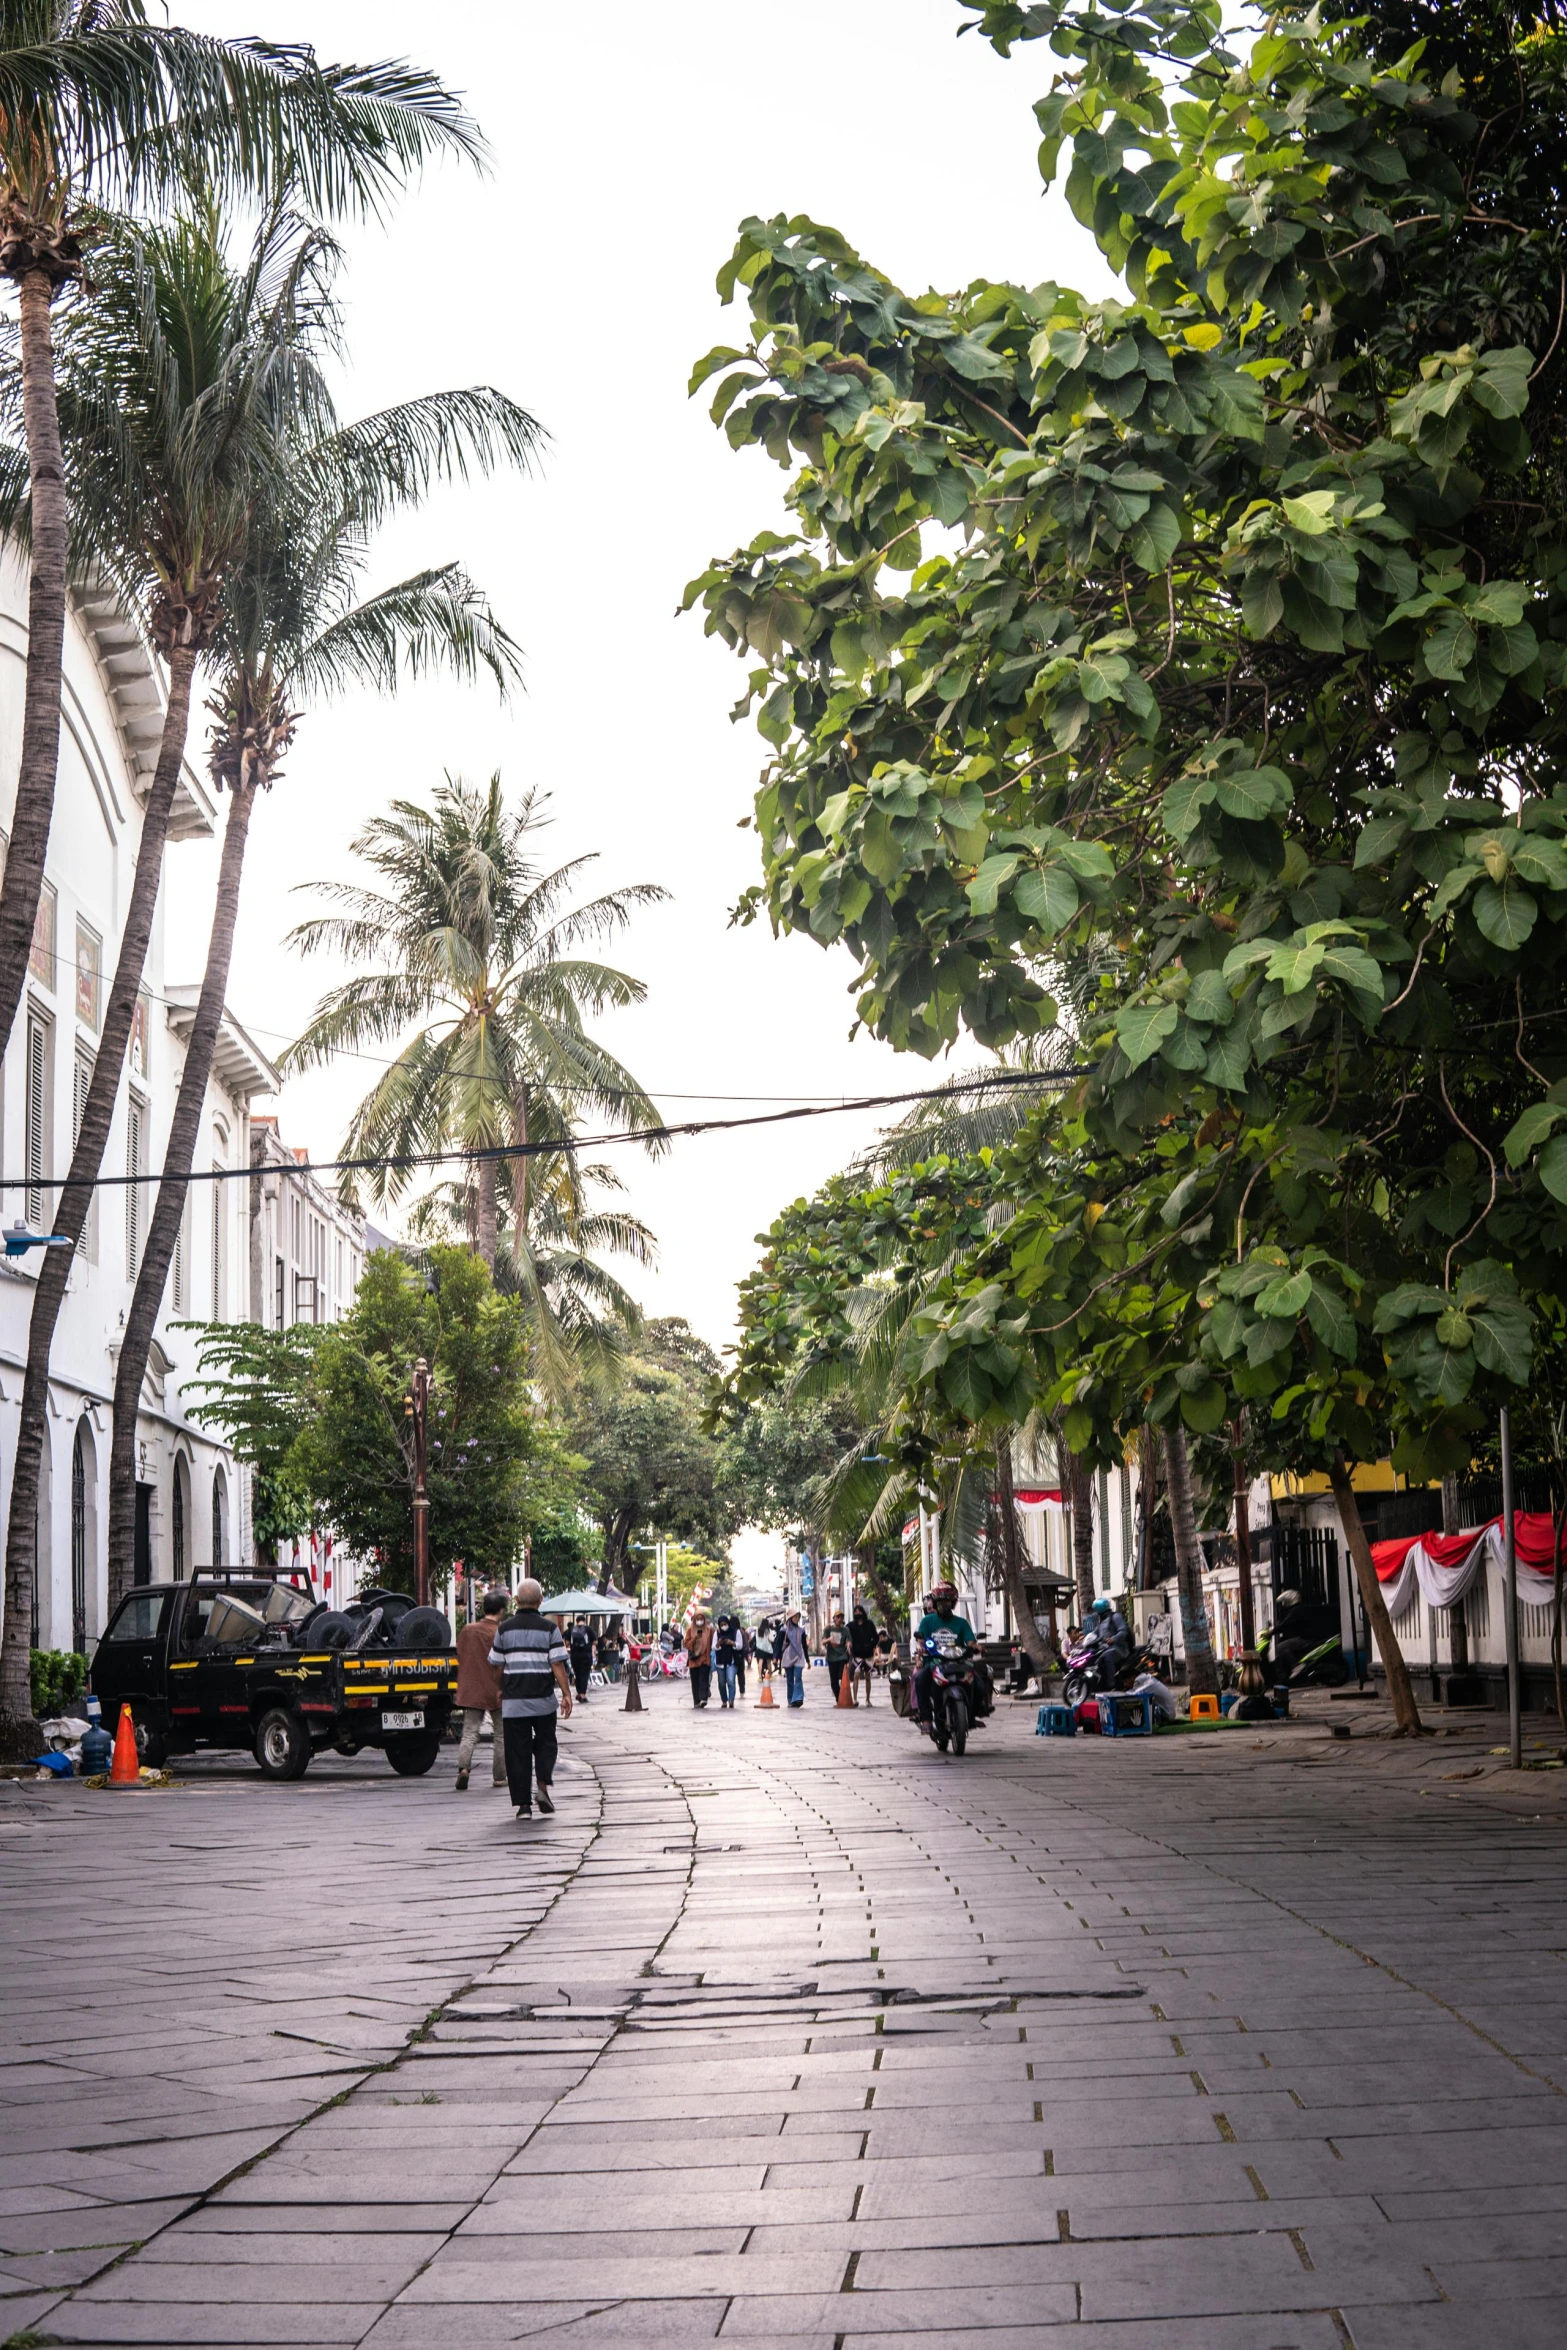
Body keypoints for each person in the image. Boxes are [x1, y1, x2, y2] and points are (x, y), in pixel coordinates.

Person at [489, 1578, 573, 1821]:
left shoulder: (504, 1629)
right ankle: (543, 1785)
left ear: (516, 1601)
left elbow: (497, 1665)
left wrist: (500, 1687)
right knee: (547, 1743)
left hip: (514, 1703)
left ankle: (523, 1806)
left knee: (517, 1752)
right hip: (543, 1701)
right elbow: (556, 1663)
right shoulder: (550, 1629)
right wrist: (566, 1694)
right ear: (540, 1600)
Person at [911, 1582, 991, 1730]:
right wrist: (920, 1650)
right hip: (934, 1663)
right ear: (935, 1603)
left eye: (948, 1601)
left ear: (953, 1603)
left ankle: (972, 1715)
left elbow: (970, 1641)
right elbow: (920, 1642)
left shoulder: (961, 1623)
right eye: (941, 1602)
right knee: (920, 1679)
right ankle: (927, 1719)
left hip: (960, 1662)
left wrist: (976, 1646)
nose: (945, 1605)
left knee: (979, 1685)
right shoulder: (927, 1621)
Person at [454, 1587, 510, 1792]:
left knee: (469, 1733)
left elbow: (460, 1655)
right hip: (497, 1688)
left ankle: (463, 1769)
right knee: (500, 1735)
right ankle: (499, 1776)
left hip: (472, 1689)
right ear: (501, 1611)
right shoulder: (500, 1633)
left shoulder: (468, 1630)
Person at [848, 1604, 877, 1705]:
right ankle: (855, 1699)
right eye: (855, 1612)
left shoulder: (869, 1624)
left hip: (868, 1654)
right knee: (856, 1675)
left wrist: (871, 1646)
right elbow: (845, 1635)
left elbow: (876, 1637)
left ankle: (868, 1699)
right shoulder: (850, 1626)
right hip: (857, 1654)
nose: (857, 1613)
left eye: (859, 1611)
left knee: (868, 1676)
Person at [780, 1610, 809, 1705]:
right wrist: (776, 1657)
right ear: (790, 1618)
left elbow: (804, 1646)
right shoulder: (783, 1630)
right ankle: (790, 1700)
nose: (797, 1619)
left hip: (799, 1657)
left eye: (798, 1617)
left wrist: (808, 1660)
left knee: (798, 1677)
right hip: (788, 1657)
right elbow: (778, 1644)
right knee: (789, 1680)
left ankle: (798, 1698)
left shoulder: (801, 1631)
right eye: (795, 1617)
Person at [687, 1611, 714, 1707]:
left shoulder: (709, 1630)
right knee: (695, 1681)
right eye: (697, 1619)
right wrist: (694, 1638)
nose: (699, 1621)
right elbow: (686, 1644)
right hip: (694, 1660)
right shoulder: (690, 1630)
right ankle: (696, 1701)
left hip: (705, 1659)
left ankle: (703, 1699)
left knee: (704, 1679)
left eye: (701, 1619)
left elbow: (713, 1643)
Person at [713, 1615, 740, 1708]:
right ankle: (724, 1700)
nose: (723, 1626)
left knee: (731, 1680)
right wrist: (719, 1643)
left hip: (731, 1660)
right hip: (720, 1661)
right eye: (721, 1625)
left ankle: (731, 1700)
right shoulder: (716, 1634)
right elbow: (713, 1647)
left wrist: (731, 1642)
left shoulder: (736, 1632)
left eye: (725, 1624)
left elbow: (740, 1645)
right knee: (721, 1682)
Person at [824, 1612, 851, 1701]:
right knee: (833, 1682)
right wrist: (829, 1639)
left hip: (842, 1656)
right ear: (834, 1618)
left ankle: (843, 1697)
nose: (840, 1619)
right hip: (831, 1657)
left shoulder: (845, 1630)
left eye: (841, 1618)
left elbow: (849, 1640)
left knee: (841, 1675)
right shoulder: (828, 1629)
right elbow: (823, 1641)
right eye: (838, 1617)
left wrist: (848, 1645)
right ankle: (839, 1698)